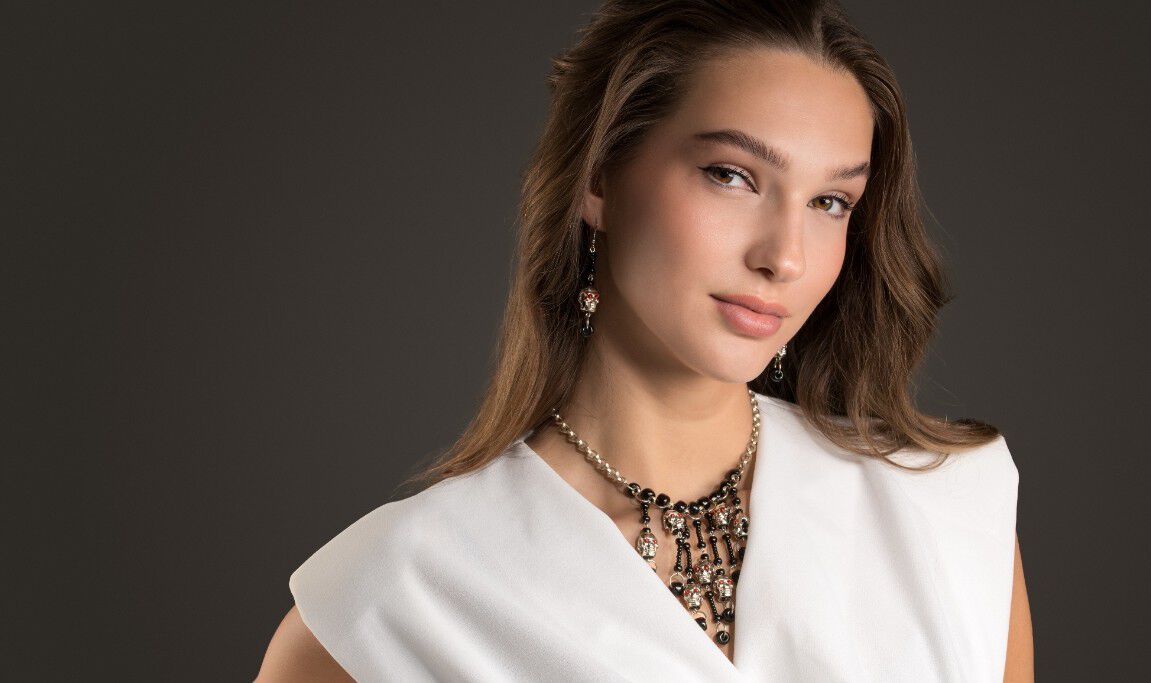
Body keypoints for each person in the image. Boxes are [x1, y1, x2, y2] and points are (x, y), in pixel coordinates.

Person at [256, 0, 1033, 680]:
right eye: (731, 175)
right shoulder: (396, 600)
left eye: (830, 200)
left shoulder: (945, 509)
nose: (784, 255)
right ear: (598, 178)